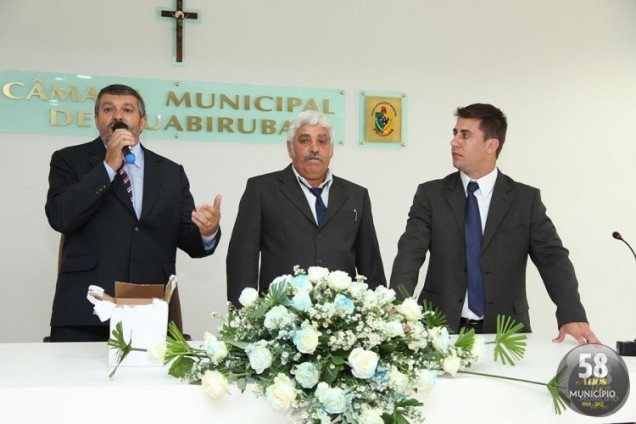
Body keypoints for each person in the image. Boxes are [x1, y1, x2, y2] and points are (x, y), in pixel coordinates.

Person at [390, 103, 599, 345]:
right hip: (438, 327)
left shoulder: (525, 200)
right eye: (455, 133)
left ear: (491, 145)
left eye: (465, 135)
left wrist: (571, 312)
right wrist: (397, 304)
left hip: (506, 331)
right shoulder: (431, 194)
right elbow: (410, 252)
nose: (454, 142)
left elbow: (553, 259)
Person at [45, 84, 222, 342]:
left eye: (127, 110)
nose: (118, 116)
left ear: (142, 121)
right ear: (97, 120)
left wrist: (207, 232)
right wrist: (107, 167)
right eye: (108, 109)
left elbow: (189, 240)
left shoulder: (171, 173)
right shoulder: (68, 160)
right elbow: (61, 217)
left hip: (150, 309)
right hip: (85, 311)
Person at [226, 110, 386, 305]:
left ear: (331, 149)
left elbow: (370, 264)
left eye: (322, 141)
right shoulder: (261, 190)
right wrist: (244, 316)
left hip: (342, 320)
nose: (314, 148)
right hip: (278, 316)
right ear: (290, 149)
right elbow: (242, 259)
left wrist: (380, 310)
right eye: (304, 141)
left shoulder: (356, 195)